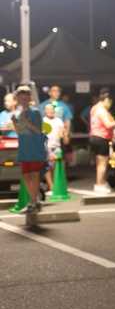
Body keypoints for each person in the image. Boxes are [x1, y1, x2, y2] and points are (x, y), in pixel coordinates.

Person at [13, 85, 46, 214]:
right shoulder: (20, 113)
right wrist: (16, 122)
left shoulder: (34, 112)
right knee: (26, 176)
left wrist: (25, 119)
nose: (23, 99)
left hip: (35, 149)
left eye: (25, 97)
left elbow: (38, 130)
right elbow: (22, 132)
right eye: (20, 97)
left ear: (29, 98)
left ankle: (33, 202)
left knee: (35, 175)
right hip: (24, 149)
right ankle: (35, 200)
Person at [89, 88, 115, 193]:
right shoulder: (102, 110)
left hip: (94, 136)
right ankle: (99, 184)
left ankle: (100, 182)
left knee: (99, 163)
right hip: (102, 138)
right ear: (106, 100)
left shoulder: (94, 108)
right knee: (103, 164)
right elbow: (108, 124)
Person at [42, 102, 67, 195]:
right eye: (47, 109)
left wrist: (64, 134)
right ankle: (51, 186)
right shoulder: (43, 121)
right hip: (47, 146)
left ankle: (54, 186)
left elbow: (62, 132)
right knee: (47, 167)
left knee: (55, 166)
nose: (49, 111)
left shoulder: (58, 121)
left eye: (51, 109)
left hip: (56, 146)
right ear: (44, 111)